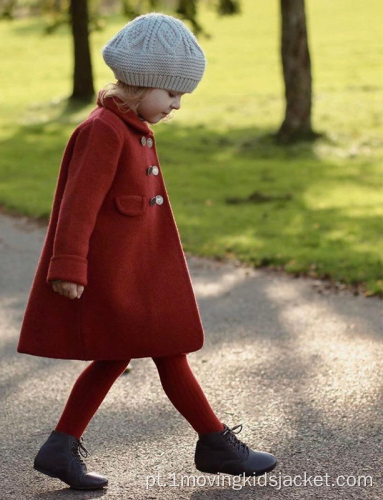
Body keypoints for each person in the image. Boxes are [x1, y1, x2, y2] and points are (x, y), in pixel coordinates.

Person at [17, 12, 277, 490]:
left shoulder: (129, 126)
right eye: (172, 93)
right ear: (141, 84)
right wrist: (68, 264)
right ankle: (215, 442)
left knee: (120, 356)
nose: (177, 105)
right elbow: (78, 205)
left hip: (137, 273)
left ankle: (61, 446)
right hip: (115, 276)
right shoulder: (104, 131)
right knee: (167, 350)